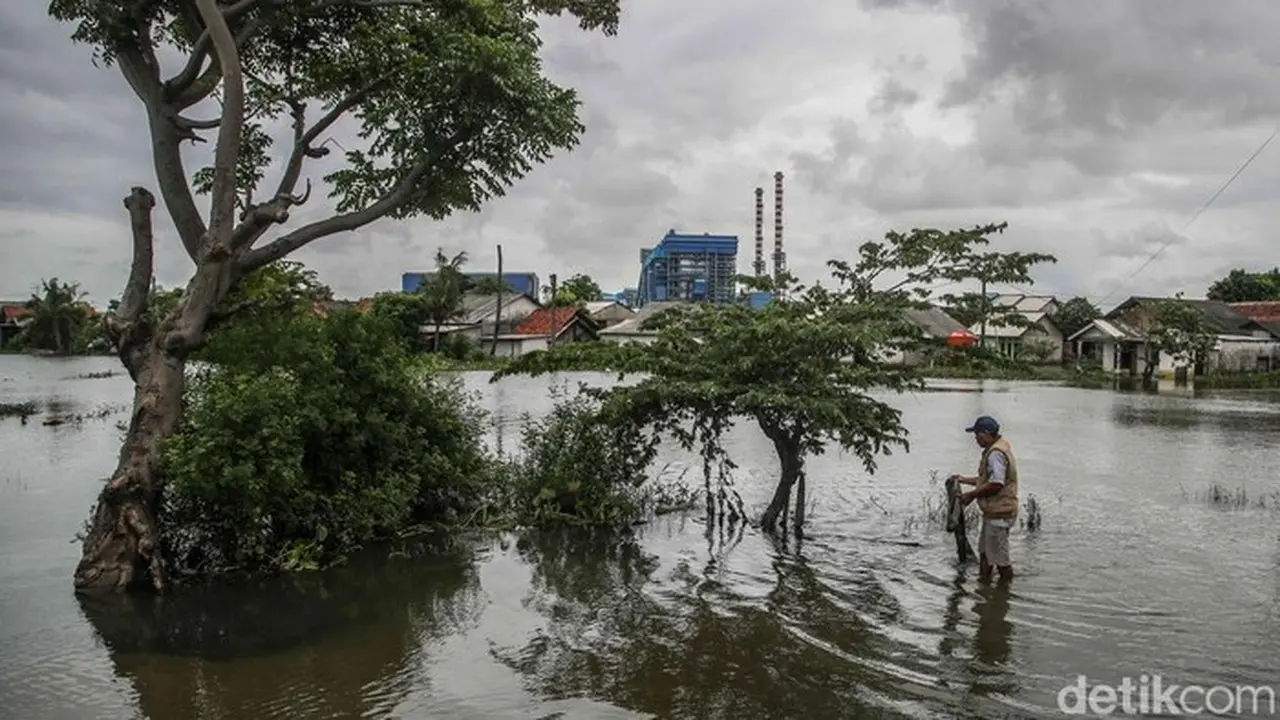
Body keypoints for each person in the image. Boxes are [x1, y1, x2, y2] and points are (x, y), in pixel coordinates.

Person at [948, 415, 1018, 583]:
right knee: (985, 553)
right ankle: (984, 587)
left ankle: (1005, 592)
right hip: (995, 513)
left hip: (1000, 514)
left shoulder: (995, 454)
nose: (976, 439)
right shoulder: (1000, 446)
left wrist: (971, 495)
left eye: (978, 435)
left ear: (986, 433)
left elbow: (996, 484)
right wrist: (964, 479)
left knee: (1000, 560)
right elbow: (987, 480)